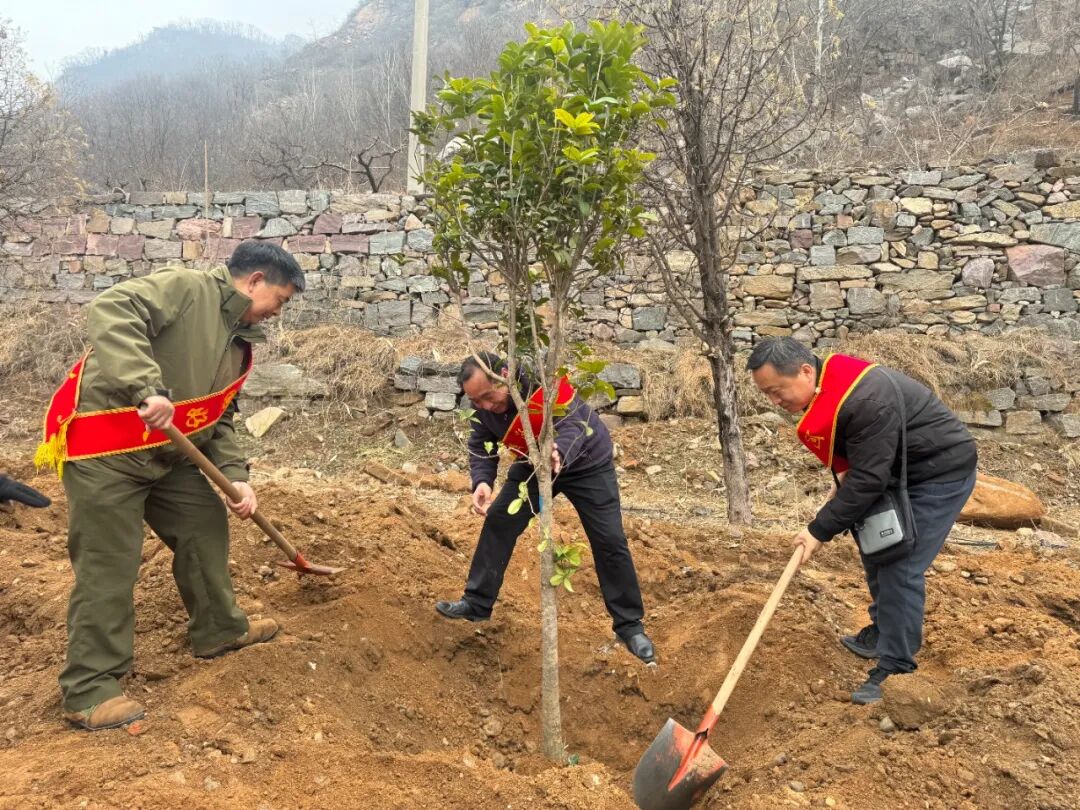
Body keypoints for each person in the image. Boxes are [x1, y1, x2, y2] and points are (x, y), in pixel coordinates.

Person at [36, 241, 304, 731]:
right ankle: (90, 686)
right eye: (279, 301)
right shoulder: (187, 288)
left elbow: (218, 419)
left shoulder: (237, 342)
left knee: (203, 526)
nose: (276, 314)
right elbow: (111, 307)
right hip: (107, 450)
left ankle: (219, 629)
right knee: (109, 564)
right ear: (256, 281)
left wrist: (238, 480)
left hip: (170, 455)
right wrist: (147, 388)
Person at [748, 337, 977, 704]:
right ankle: (885, 629)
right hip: (892, 472)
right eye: (767, 395)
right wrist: (840, 498)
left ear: (806, 371)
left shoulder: (865, 399)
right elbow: (863, 468)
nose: (775, 402)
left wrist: (818, 530)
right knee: (877, 544)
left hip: (937, 472)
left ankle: (896, 666)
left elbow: (868, 479)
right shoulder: (829, 389)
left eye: (777, 391)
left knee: (900, 562)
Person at [435, 352, 656, 663]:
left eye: (488, 396)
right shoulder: (482, 406)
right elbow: (480, 443)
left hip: (585, 462)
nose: (484, 406)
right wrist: (482, 481)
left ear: (505, 374)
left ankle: (629, 626)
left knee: (609, 540)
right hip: (534, 465)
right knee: (500, 519)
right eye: (477, 401)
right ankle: (477, 603)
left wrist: (558, 451)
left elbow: (574, 423)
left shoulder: (540, 380)